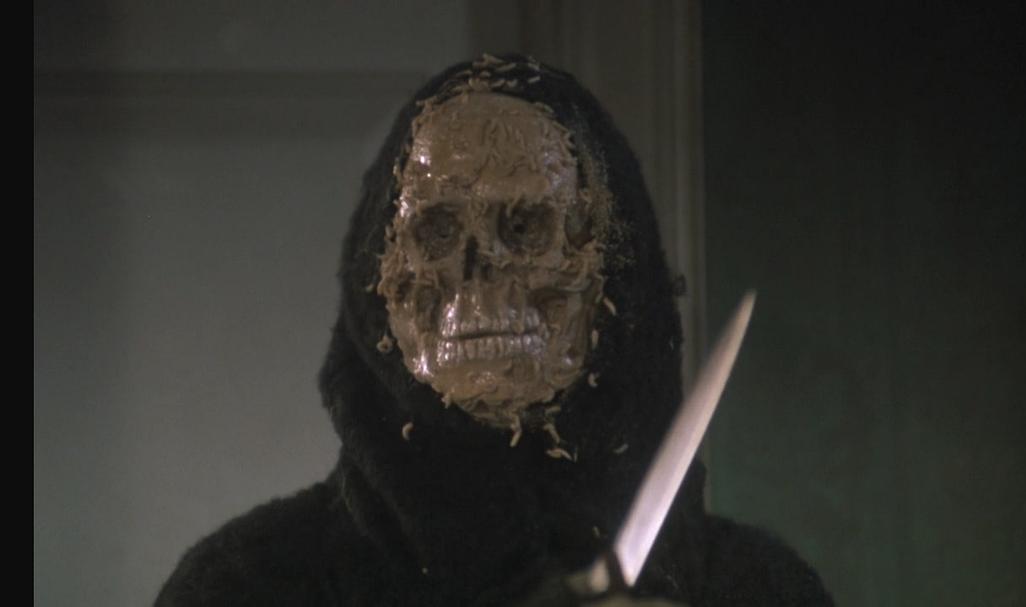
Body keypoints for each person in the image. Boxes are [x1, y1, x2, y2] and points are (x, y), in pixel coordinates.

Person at [155, 53, 832, 606]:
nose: (477, 271)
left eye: (527, 226)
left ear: (615, 283)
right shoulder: (247, 586)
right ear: (378, 285)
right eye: (436, 230)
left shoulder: (756, 591)